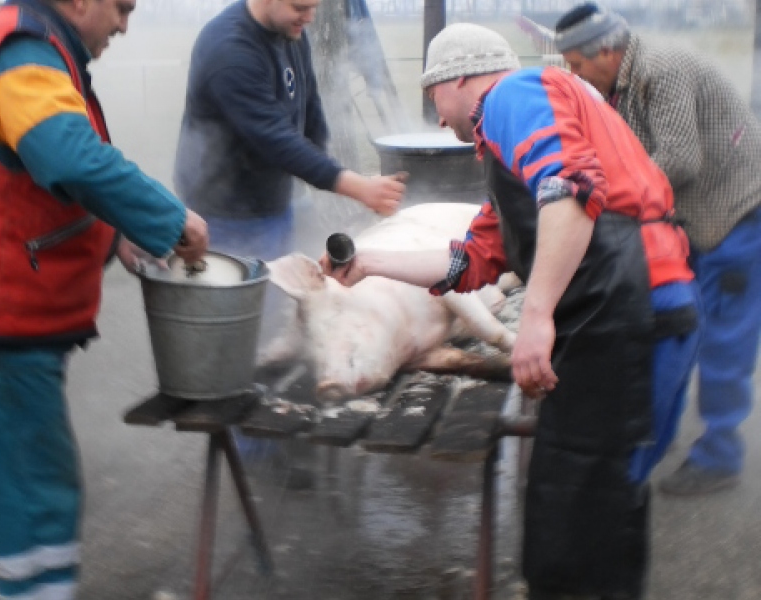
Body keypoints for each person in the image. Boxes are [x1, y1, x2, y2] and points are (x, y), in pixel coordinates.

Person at [323, 23, 700, 600]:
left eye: (435, 98)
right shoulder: (512, 147)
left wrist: (536, 315)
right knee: (588, 499)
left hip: (636, 309)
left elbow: (571, 188)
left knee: (589, 510)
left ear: (462, 79)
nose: (440, 118)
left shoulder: (514, 96)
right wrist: (370, 263)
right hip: (618, 318)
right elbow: (468, 262)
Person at [0, 0, 209, 598]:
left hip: (3, 327)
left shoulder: (38, 46)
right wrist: (171, 220)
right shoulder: (21, 49)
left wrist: (114, 234)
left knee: (13, 496)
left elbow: (31, 178)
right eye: (122, 8)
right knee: (33, 501)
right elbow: (68, 156)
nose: (125, 24)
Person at [554, 2, 761, 497]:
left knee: (722, 343)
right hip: (694, 222)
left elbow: (677, 162)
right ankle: (658, 430)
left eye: (577, 66)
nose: (574, 76)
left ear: (606, 51)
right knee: (674, 326)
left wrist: (597, 203)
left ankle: (720, 458)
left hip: (734, 218)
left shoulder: (662, 71)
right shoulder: (621, 82)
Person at [173, 0, 405, 264]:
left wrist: (340, 172)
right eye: (300, 7)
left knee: (283, 293)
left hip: (277, 202)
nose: (309, 17)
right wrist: (357, 187)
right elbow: (275, 139)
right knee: (245, 301)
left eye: (314, 7)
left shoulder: (290, 32)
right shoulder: (230, 51)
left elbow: (310, 108)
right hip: (224, 216)